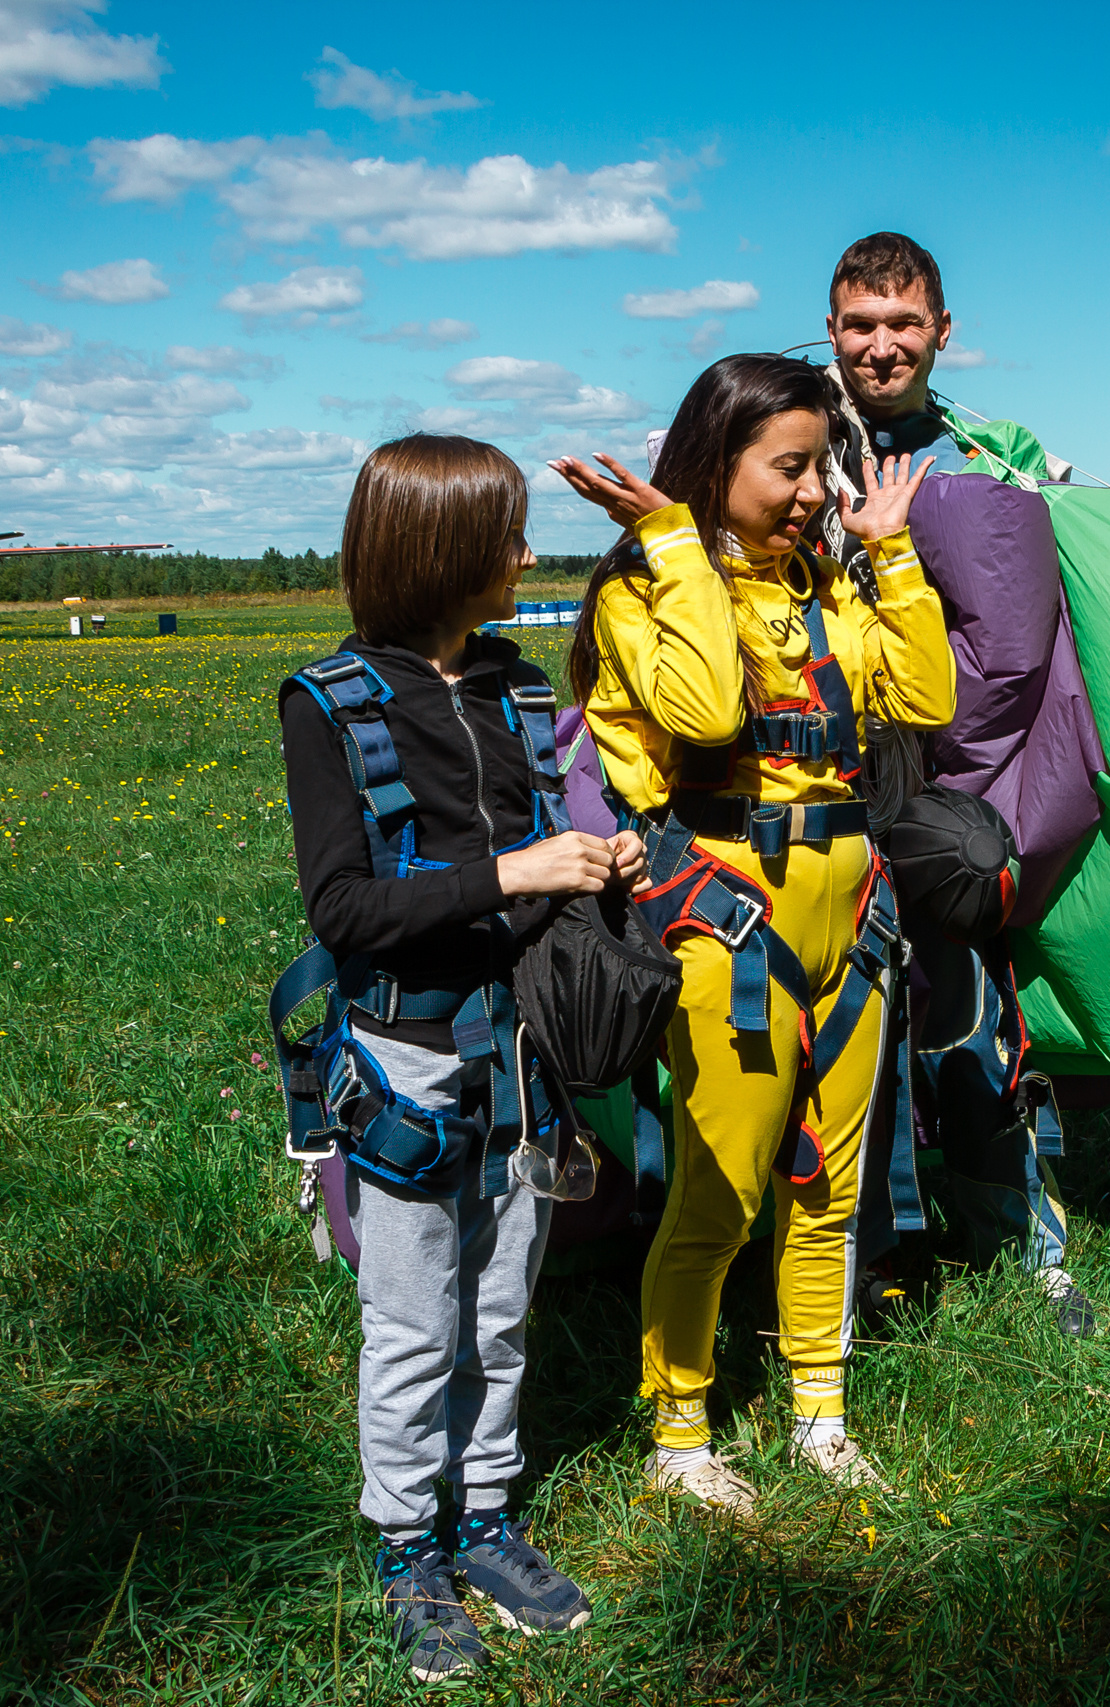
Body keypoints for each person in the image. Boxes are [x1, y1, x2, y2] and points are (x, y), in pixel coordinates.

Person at [552, 354, 956, 1514]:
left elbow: (923, 702)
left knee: (830, 1189)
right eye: (788, 469)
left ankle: (818, 1413)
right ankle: (680, 1433)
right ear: (716, 464)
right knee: (720, 1190)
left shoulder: (826, 582)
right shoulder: (646, 591)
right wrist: (677, 547)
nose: (811, 493)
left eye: (818, 470)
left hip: (853, 921)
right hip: (733, 925)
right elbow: (709, 715)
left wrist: (888, 551)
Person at [279, 435, 644, 1682]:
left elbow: (541, 857)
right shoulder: (328, 703)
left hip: (525, 1054)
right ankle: (403, 1546)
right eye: (509, 536)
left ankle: (484, 1519)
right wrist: (517, 872)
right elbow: (344, 912)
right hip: (410, 1060)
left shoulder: (517, 691)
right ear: (442, 549)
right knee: (411, 1319)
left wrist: (592, 866)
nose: (527, 555)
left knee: (500, 1310)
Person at [820, 231, 1098, 1337]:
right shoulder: (790, 435)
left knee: (971, 1015)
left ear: (942, 331)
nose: (880, 347)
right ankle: (864, 1262)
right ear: (830, 327)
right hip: (813, 772)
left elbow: (1054, 594)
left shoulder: (998, 448)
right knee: (839, 1031)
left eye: (902, 324)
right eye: (859, 324)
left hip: (950, 779)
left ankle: (1030, 1248)